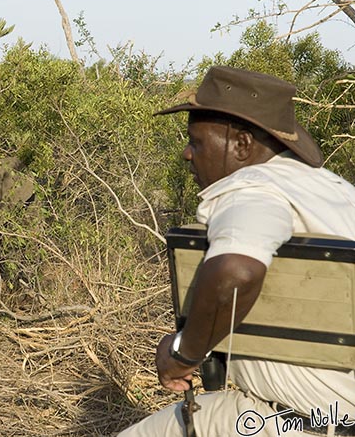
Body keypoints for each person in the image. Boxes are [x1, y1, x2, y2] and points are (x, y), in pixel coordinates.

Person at [117, 66, 355, 436]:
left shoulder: (252, 188)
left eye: (196, 142)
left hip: (294, 422)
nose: (187, 154)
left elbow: (235, 272)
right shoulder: (332, 189)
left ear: (242, 145)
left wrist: (183, 354)